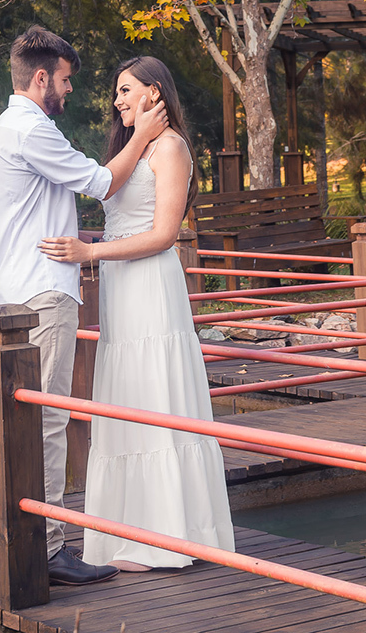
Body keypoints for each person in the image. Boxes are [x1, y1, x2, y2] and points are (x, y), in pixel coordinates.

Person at [0, 27, 169, 587]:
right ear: (41, 78)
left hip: (16, 293)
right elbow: (101, 181)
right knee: (50, 419)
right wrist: (146, 134)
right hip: (44, 293)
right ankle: (52, 547)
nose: (68, 91)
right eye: (64, 80)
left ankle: (25, 539)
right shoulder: (32, 129)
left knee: (25, 418)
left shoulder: (3, 129)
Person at [40, 56, 235, 571]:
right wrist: (87, 244)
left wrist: (91, 255)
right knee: (125, 397)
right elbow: (116, 214)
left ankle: (167, 535)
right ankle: (126, 533)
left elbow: (164, 234)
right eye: (116, 92)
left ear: (155, 92)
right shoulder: (131, 149)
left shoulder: (170, 148)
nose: (117, 100)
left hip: (151, 286)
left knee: (154, 394)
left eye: (126, 90)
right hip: (121, 291)